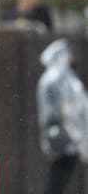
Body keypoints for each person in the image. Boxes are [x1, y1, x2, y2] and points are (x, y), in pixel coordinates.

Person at [37, 39, 88, 194]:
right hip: (63, 135)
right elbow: (61, 110)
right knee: (59, 176)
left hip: (71, 135)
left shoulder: (67, 78)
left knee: (62, 176)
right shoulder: (54, 79)